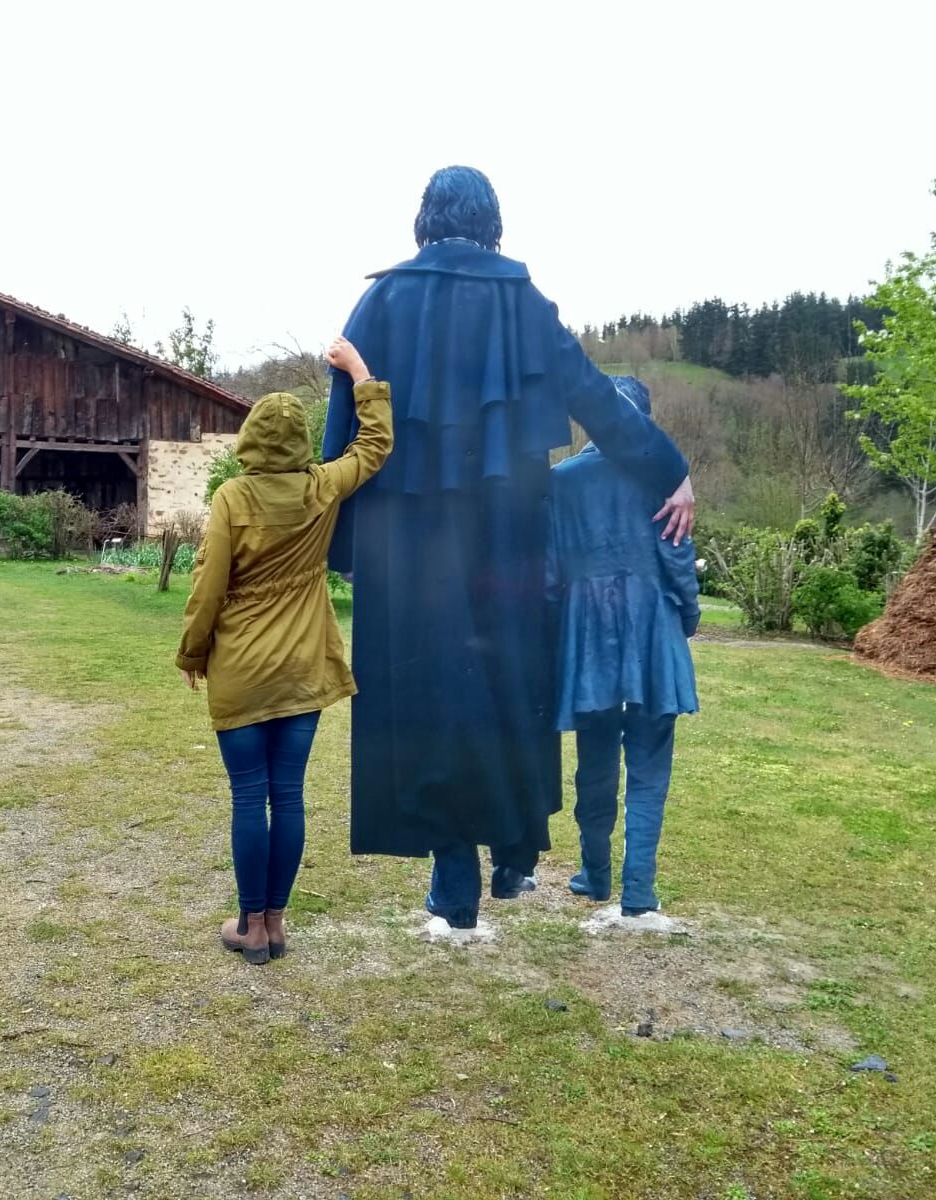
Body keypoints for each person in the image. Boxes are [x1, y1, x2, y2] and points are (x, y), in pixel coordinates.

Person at [322, 166, 694, 934]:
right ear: (492, 221)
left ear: (425, 218)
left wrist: (344, 541)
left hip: (409, 544)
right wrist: (670, 468)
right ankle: (509, 856)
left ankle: (456, 882)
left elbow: (344, 427)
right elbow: (596, 398)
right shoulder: (524, 303)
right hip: (507, 542)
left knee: (430, 700)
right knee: (504, 692)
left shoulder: (380, 302)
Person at [177, 337, 393, 964]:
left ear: (249, 439)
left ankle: (249, 927)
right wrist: (359, 372)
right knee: (288, 795)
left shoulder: (232, 498)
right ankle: (273, 923)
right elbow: (374, 445)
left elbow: (208, 586)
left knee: (250, 796)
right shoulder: (321, 487)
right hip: (303, 667)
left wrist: (193, 653)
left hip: (242, 670)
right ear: (300, 441)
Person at [548, 376, 700, 916]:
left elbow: (550, 572)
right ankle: (638, 890)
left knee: (594, 760)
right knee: (650, 767)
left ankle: (595, 873)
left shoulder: (561, 480)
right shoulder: (663, 477)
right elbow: (678, 557)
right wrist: (687, 616)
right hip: (652, 630)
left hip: (589, 634)